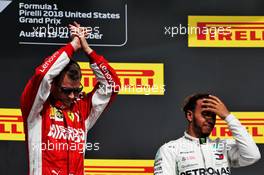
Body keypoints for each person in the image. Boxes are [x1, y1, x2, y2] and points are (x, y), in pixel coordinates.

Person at [20, 22, 120, 175]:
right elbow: (42, 75)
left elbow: (112, 85)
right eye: (66, 91)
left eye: (76, 90)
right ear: (52, 84)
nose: (72, 96)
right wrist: (74, 44)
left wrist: (87, 50)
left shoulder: (82, 109)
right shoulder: (36, 108)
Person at [154, 93, 261, 175]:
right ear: (190, 116)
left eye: (213, 115)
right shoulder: (170, 149)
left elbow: (253, 155)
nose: (210, 119)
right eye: (205, 114)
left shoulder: (224, 146)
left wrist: (228, 117)